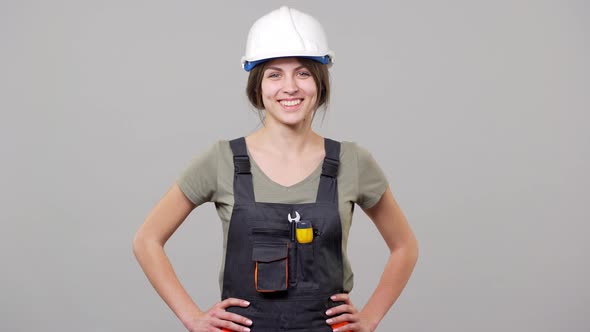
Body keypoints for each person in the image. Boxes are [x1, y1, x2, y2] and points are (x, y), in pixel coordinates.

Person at [133, 6, 418, 332]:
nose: (290, 87)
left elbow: (405, 246)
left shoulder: (353, 162)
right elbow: (147, 240)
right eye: (274, 74)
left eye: (303, 73)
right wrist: (192, 317)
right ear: (257, 87)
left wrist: (370, 317)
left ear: (320, 82)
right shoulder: (221, 160)